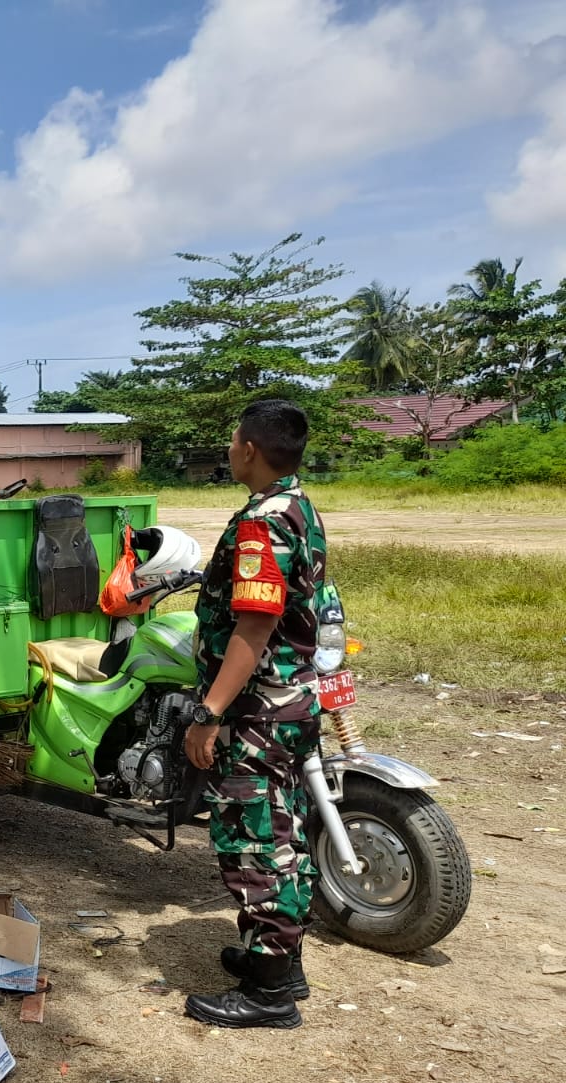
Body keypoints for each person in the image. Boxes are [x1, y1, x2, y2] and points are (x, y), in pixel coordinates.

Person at [181, 400, 328, 1030]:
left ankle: (270, 994)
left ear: (249, 449)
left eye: (233, 438)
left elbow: (255, 623)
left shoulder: (261, 525)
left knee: (256, 842)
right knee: (284, 832)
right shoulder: (297, 504)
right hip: (291, 703)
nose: (230, 446)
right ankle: (278, 961)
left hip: (257, 710)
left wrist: (209, 711)